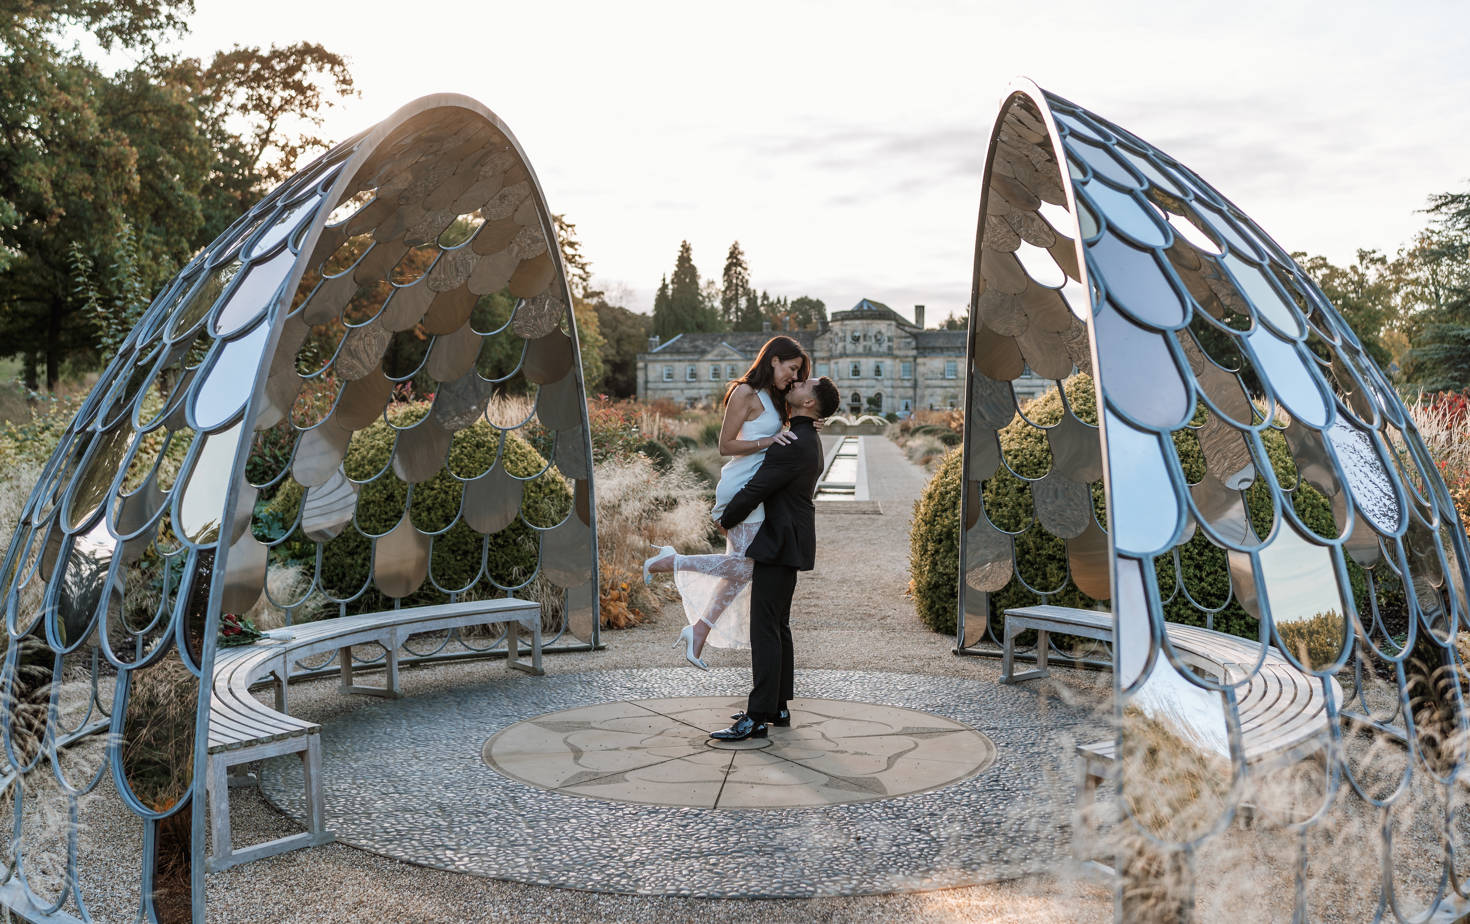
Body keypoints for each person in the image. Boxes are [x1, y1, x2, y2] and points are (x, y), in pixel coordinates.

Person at [642, 336, 811, 670]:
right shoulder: (745, 392)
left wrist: (810, 421)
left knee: (737, 570)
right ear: (774, 360)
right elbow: (725, 445)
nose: (793, 376)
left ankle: (698, 632)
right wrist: (768, 440)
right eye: (792, 368)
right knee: (747, 567)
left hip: (757, 489)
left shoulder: (776, 397)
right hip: (739, 488)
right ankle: (672, 560)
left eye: (798, 372)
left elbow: (788, 429)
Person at [708, 374, 841, 742]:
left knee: (765, 628)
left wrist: (724, 518)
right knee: (778, 625)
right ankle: (778, 706)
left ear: (810, 403)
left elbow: (757, 488)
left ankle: (756, 717)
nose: (797, 382)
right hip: (790, 540)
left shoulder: (793, 441)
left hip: (779, 542)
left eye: (805, 384)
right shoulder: (805, 436)